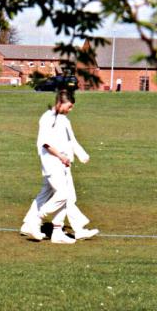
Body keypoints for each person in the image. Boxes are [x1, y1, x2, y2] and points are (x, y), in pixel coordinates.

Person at [20, 89, 99, 244]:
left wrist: (81, 154)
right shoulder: (47, 118)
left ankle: (58, 231)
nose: (71, 110)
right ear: (60, 103)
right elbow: (45, 143)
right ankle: (36, 220)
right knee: (64, 196)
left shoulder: (63, 119)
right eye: (69, 106)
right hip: (52, 163)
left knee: (56, 196)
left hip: (62, 164)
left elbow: (71, 140)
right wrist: (61, 156)